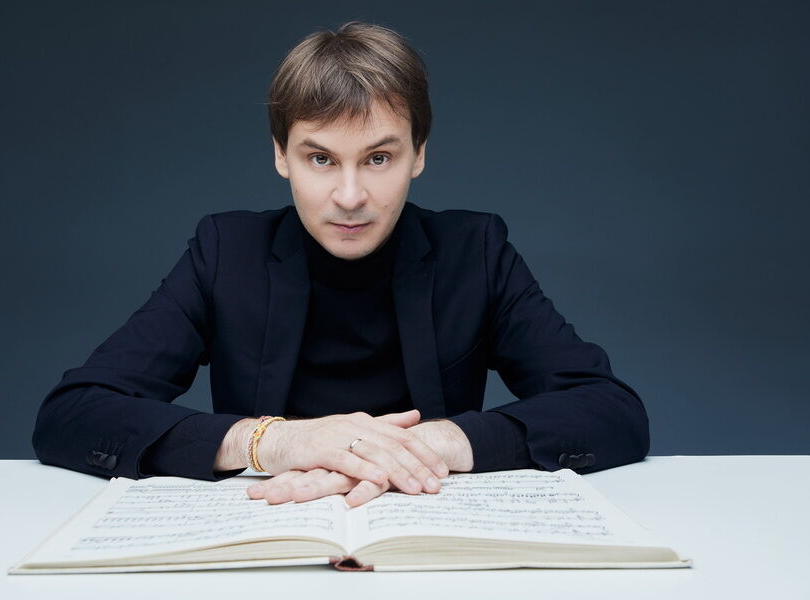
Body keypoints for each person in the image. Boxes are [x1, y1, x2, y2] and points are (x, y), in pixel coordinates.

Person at [32, 21, 649, 509]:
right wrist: (274, 440)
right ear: (281, 156)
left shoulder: (475, 251)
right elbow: (73, 412)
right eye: (321, 159)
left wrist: (436, 444)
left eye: (378, 158)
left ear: (418, 155)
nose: (350, 196)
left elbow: (611, 410)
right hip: (267, 527)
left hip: (427, 528)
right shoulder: (225, 252)